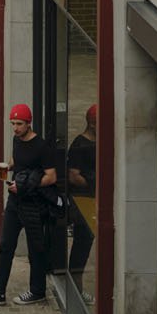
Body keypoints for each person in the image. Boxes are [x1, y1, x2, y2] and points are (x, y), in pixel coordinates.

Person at [0, 103, 60, 308]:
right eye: (13, 123)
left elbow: (51, 177)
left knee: (36, 249)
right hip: (15, 201)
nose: (15, 128)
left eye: (19, 124)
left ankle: (37, 291)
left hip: (34, 203)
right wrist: (7, 166)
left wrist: (26, 184)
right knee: (5, 246)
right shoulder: (17, 140)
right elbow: (16, 160)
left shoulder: (42, 147)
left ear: (29, 123)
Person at [65, 104, 98, 280]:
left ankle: (75, 284)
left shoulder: (99, 143)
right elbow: (73, 176)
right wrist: (96, 183)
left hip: (91, 199)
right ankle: (75, 285)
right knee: (82, 244)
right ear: (92, 124)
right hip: (82, 201)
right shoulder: (80, 145)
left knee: (85, 243)